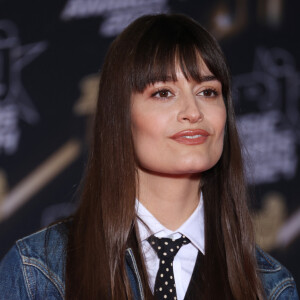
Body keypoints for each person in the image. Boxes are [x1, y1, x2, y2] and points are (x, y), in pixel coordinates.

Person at [0, 14, 298, 300]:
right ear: (120, 116)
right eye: (163, 93)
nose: (193, 112)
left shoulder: (270, 286)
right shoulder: (40, 271)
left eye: (207, 92)